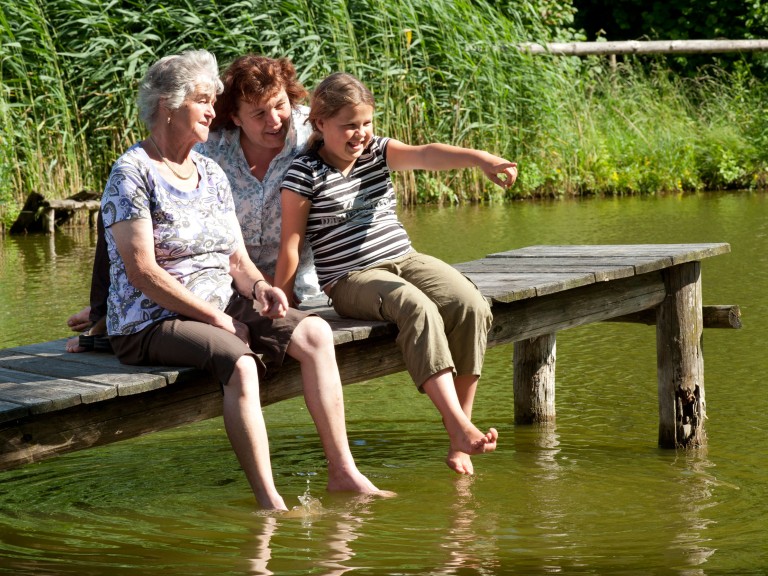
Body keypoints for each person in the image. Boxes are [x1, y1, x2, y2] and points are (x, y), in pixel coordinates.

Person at [97, 50, 385, 510]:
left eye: (213, 100)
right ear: (170, 108)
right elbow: (143, 272)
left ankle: (343, 471)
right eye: (203, 101)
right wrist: (215, 317)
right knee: (242, 363)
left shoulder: (209, 171)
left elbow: (234, 257)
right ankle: (270, 503)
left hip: (220, 301)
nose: (213, 110)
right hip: (150, 318)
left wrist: (260, 289)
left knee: (313, 333)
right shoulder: (132, 172)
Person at [275, 72, 518, 475]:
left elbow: (425, 154)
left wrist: (482, 160)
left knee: (469, 302)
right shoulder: (304, 174)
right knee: (416, 307)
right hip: (350, 278)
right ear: (319, 123)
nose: (360, 134)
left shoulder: (377, 153)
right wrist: (284, 298)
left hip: (403, 258)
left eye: (367, 123)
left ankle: (458, 432)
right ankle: (459, 427)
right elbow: (291, 243)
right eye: (349, 125)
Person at [66, 54, 319, 350]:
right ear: (236, 117)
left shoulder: (313, 135)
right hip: (231, 275)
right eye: (259, 114)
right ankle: (105, 315)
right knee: (121, 207)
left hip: (284, 281)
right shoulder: (211, 146)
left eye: (280, 105)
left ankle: (113, 312)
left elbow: (361, 138)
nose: (275, 120)